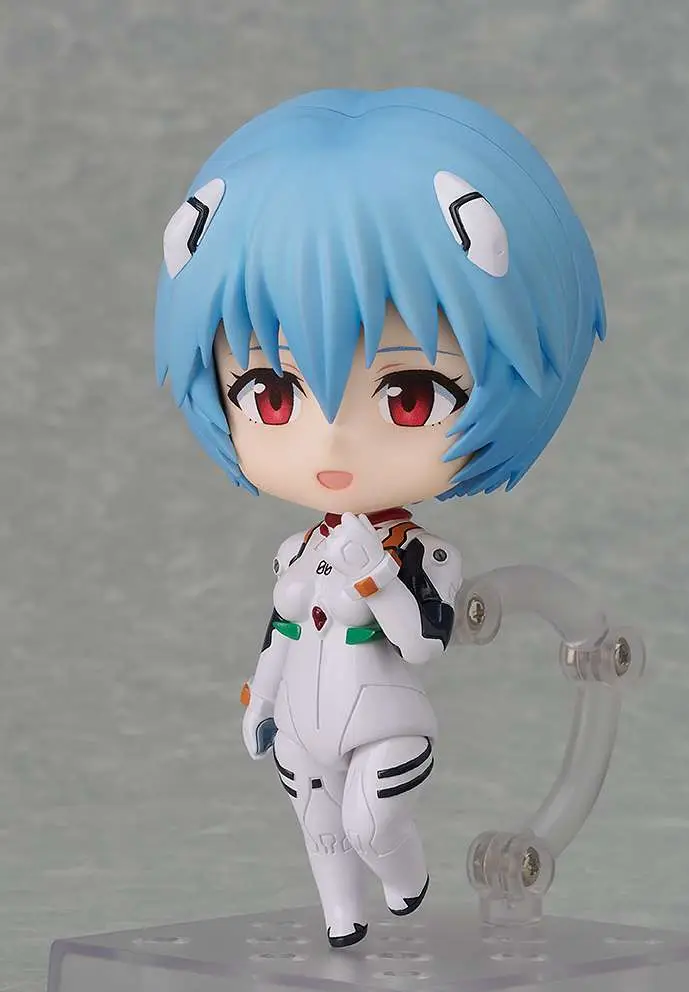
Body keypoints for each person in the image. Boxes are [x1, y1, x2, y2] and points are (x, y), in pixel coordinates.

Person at [155, 87, 605, 947]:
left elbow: (425, 644)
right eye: (273, 394)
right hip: (303, 719)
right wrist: (259, 700)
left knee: (370, 820)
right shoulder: (297, 550)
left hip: (382, 715)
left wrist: (375, 581)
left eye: (407, 396)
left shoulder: (418, 554)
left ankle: (403, 879)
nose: (331, 437)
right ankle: (343, 927)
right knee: (321, 830)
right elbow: (280, 636)